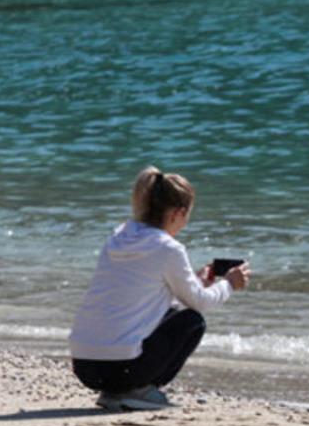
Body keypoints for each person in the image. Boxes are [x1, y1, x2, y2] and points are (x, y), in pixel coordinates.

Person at [69, 166, 250, 411]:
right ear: (178, 213)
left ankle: (116, 393)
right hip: (120, 368)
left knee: (175, 314)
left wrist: (199, 282)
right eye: (187, 216)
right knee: (192, 321)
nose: (185, 223)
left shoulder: (118, 237)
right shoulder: (168, 248)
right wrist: (228, 283)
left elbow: (146, 302)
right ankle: (137, 390)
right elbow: (201, 303)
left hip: (84, 365)